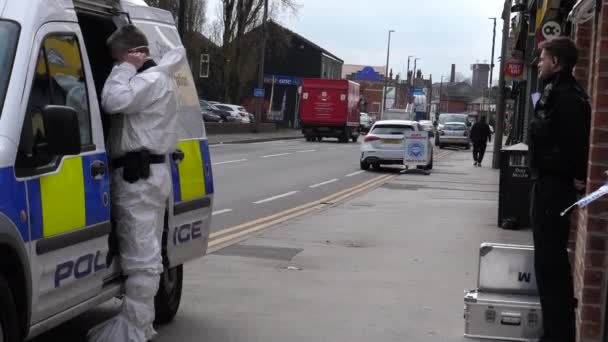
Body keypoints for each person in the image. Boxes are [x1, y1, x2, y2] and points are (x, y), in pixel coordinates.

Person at [87, 24, 185, 342]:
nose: (116, 66)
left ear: (133, 54)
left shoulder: (151, 80)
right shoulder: (159, 79)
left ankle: (134, 328)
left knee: (141, 255)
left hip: (139, 178)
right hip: (146, 175)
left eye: (119, 59)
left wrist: (125, 67)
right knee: (145, 251)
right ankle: (138, 322)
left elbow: (112, 100)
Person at [528, 37, 591, 342]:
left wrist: (577, 176)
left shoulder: (567, 97)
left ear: (556, 62)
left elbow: (575, 144)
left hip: (556, 188)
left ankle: (558, 335)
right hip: (548, 186)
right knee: (547, 262)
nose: (539, 63)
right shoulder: (556, 92)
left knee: (551, 264)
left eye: (543, 58)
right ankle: (553, 330)